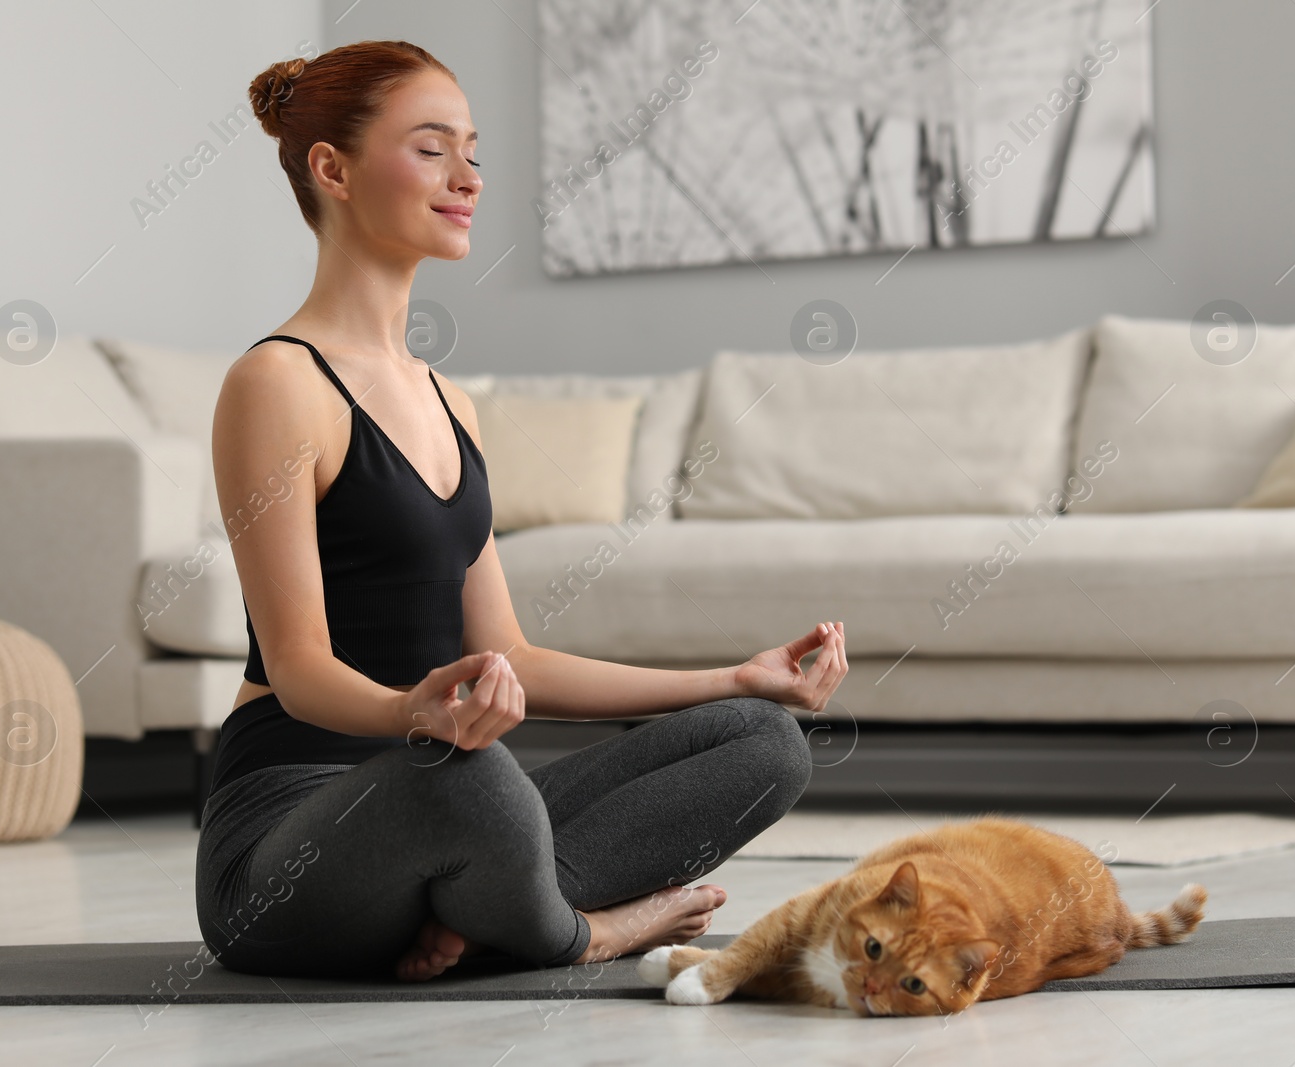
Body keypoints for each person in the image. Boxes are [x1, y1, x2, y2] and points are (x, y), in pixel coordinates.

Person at [194, 39, 850, 982]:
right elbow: (297, 669)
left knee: (763, 741)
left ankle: (493, 914)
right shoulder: (276, 381)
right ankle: (589, 931)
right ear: (331, 169)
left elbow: (517, 657)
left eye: (472, 150)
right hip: (287, 841)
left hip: (440, 790)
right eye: (431, 148)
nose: (468, 176)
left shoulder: (449, 403)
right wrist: (413, 713)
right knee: (479, 787)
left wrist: (734, 677)